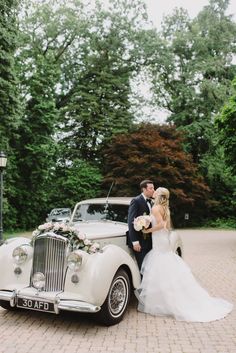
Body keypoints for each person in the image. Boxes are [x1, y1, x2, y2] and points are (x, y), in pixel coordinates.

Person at [136, 187, 233, 322]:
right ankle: (166, 298)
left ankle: (164, 302)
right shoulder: (164, 208)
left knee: (160, 266)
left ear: (158, 195)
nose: (154, 192)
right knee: (165, 266)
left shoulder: (156, 208)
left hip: (159, 239)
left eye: (156, 191)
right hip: (163, 240)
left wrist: (148, 230)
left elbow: (162, 225)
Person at [127, 179, 155, 270]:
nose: (153, 190)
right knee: (143, 268)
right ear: (144, 189)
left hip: (150, 242)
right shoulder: (136, 201)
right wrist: (135, 242)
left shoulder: (151, 201)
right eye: (151, 188)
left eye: (153, 188)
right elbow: (131, 221)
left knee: (150, 267)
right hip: (140, 242)